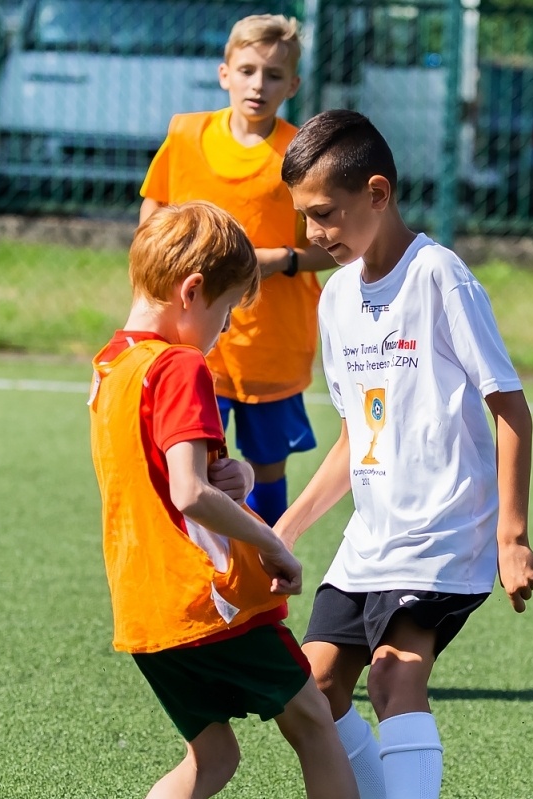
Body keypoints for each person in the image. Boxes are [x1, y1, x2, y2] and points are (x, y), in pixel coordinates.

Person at [40, 201, 393, 799]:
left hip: (143, 611)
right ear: (192, 291)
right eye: (229, 312)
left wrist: (221, 472)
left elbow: (170, 474)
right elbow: (190, 493)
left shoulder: (112, 365)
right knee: (313, 720)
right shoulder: (180, 364)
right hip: (209, 599)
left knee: (216, 754)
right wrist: (273, 544)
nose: (226, 331)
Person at [274, 110, 533, 799]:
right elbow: (357, 434)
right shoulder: (337, 298)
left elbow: (511, 409)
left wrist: (512, 536)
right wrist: (282, 527)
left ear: (377, 194)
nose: (313, 233)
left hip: (442, 533)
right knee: (312, 698)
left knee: (394, 681)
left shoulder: (440, 278)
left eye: (325, 214)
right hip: (371, 538)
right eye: (305, 219)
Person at [137, 14, 331, 525]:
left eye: (272, 75)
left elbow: (332, 247)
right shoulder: (186, 135)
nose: (257, 85)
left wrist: (281, 260)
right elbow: (152, 220)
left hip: (270, 342)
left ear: (293, 85)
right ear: (225, 73)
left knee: (267, 467)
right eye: (247, 70)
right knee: (190, 467)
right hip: (192, 338)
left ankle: (268, 561)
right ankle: (202, 573)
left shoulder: (302, 153)